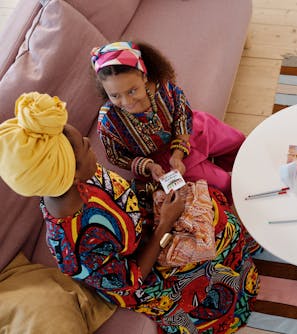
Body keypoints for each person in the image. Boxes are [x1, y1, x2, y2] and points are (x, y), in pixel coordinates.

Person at [0, 92, 261, 333]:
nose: (90, 142)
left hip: (147, 229)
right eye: (84, 145)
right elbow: (131, 281)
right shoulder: (78, 248)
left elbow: (124, 198)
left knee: (212, 209)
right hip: (144, 276)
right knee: (218, 241)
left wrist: (156, 186)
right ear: (70, 174)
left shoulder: (81, 180)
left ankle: (239, 261)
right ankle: (234, 302)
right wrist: (166, 224)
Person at [90, 41, 245, 200]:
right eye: (115, 95)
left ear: (144, 76)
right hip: (162, 162)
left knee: (239, 143)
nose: (127, 101)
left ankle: (242, 169)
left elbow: (182, 115)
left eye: (132, 91)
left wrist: (177, 153)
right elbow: (117, 156)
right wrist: (150, 166)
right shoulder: (108, 123)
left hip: (188, 132)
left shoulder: (164, 88)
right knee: (224, 184)